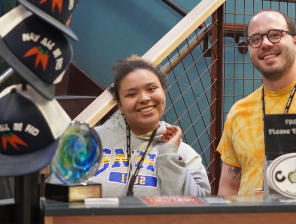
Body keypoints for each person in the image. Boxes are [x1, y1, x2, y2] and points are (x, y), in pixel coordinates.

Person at [49, 56, 211, 197]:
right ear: (120, 104)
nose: (144, 98)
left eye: (151, 89)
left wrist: (169, 155)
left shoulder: (185, 154)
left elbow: (197, 208)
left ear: (164, 92)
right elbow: (56, 195)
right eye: (132, 94)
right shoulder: (87, 142)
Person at [216, 9, 296, 196]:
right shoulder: (239, 112)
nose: (266, 44)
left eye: (275, 35)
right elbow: (229, 187)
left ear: (295, 42)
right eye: (255, 39)